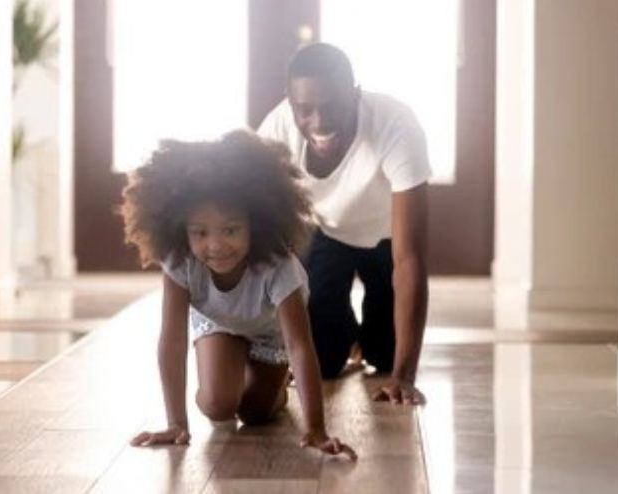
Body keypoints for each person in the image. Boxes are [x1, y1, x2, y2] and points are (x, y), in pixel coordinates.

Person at [121, 130, 356, 459]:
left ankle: (277, 389)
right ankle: (230, 367)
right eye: (200, 233)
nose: (215, 246)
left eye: (230, 230)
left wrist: (315, 428)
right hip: (219, 326)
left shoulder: (278, 267)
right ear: (181, 229)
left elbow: (300, 346)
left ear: (255, 224)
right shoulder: (180, 262)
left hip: (269, 334)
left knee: (256, 414)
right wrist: (176, 422)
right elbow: (172, 340)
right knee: (218, 406)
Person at [257, 42, 430, 405]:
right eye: (305, 110)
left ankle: (371, 339)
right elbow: (260, 243)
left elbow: (410, 259)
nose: (318, 122)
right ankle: (343, 331)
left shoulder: (396, 126)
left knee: (384, 357)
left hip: (386, 240)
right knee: (323, 361)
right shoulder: (275, 129)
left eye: (332, 106)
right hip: (325, 233)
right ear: (290, 103)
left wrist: (404, 376)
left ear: (355, 95)